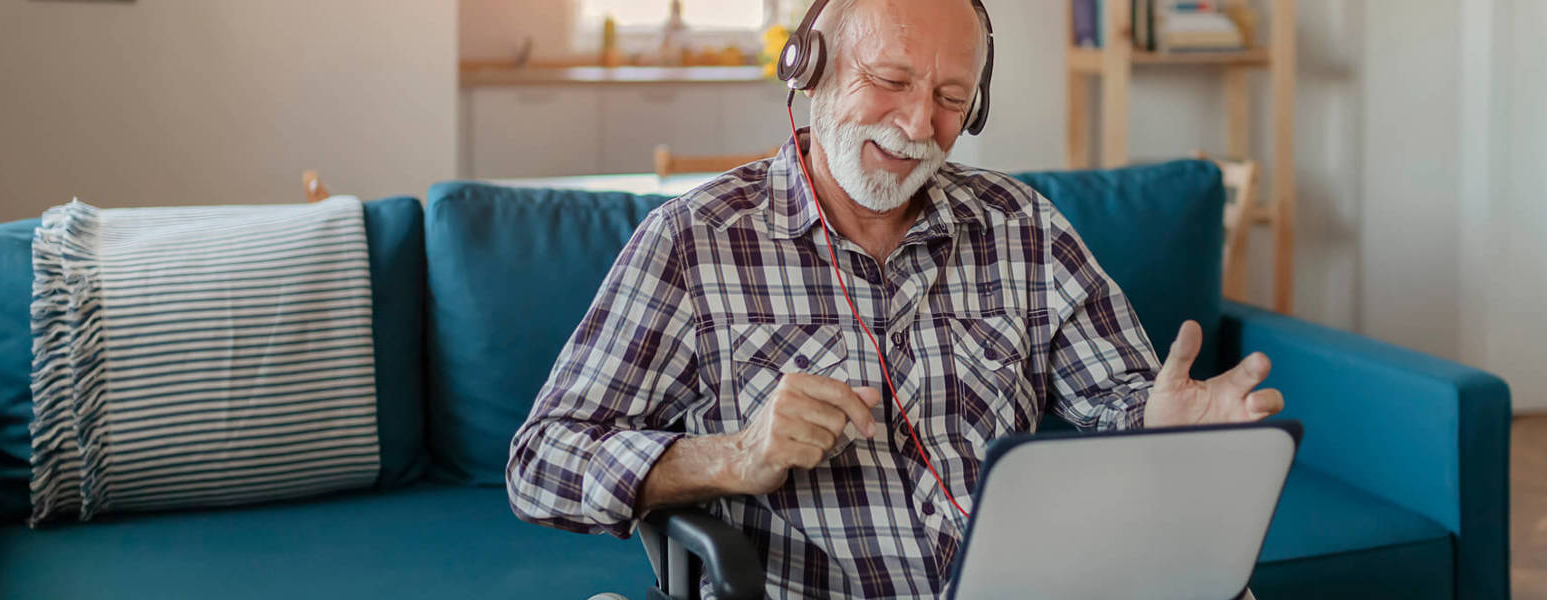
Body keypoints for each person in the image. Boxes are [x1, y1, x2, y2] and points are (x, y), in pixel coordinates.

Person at [506, 0, 1284, 597]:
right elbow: (541, 464)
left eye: (952, 96)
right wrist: (735, 456)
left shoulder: (1022, 226)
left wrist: (1159, 421)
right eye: (890, 81)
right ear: (808, 69)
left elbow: (1116, 395)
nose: (920, 123)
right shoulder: (693, 239)